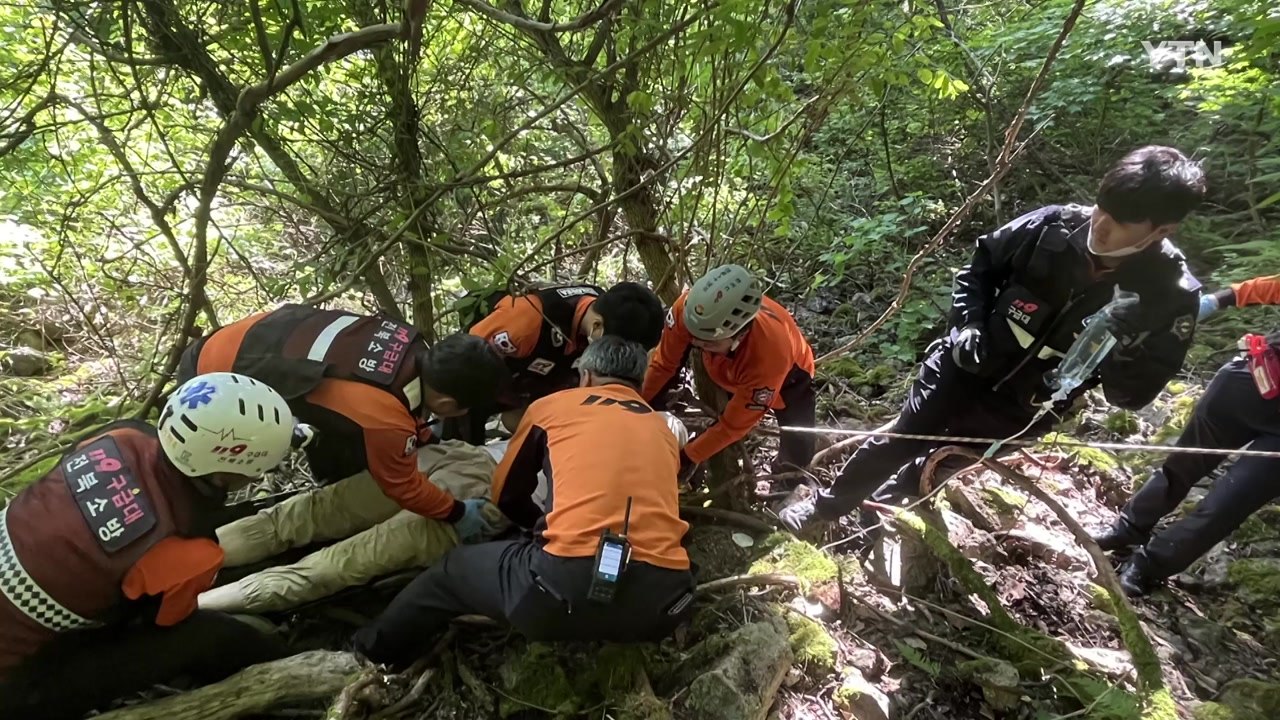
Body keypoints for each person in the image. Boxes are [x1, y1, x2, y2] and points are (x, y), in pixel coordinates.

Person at [780, 145, 1207, 532]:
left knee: (944, 462)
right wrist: (967, 325)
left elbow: (1132, 396)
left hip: (1028, 405)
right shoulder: (1052, 226)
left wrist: (1126, 348)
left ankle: (879, 513)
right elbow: (978, 271)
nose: (1100, 226)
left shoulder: (1170, 295)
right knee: (902, 439)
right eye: (1101, 209)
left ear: (1160, 231)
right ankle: (827, 507)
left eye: (1119, 223)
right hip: (966, 362)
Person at [352, 337, 696, 667]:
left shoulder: (552, 407)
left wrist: (533, 529)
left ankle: (370, 653)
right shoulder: (663, 430)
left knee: (451, 571)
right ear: (638, 383)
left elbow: (506, 493)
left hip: (558, 591)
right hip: (664, 603)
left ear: (587, 376)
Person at [0, 373, 301, 719]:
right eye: (258, 470)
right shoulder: (186, 545)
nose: (259, 476)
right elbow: (164, 623)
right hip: (14, 686)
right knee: (209, 637)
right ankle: (290, 680)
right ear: (225, 472)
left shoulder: (120, 435)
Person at [176, 305, 508, 577]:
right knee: (206, 492)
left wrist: (419, 435)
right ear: (448, 404)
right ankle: (187, 562)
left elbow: (398, 401)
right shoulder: (385, 418)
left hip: (232, 345)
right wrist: (456, 511)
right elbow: (402, 486)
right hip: (216, 390)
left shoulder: (410, 340)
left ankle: (196, 551)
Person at [1094, 275, 1280, 596]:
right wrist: (1211, 303)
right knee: (1182, 464)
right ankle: (1128, 528)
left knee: (1227, 505)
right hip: (1248, 384)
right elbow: (1257, 289)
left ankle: (1149, 565)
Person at [642, 264, 817, 479]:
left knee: (798, 446)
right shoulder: (686, 312)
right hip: (728, 368)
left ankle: (788, 477)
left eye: (708, 342)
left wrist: (688, 457)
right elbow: (664, 365)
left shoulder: (769, 356)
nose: (696, 343)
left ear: (739, 335)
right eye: (693, 337)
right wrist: (636, 404)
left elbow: (732, 426)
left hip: (792, 380)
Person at [449, 281, 666, 443]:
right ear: (597, 326)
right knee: (460, 450)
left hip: (536, 392)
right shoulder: (526, 321)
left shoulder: (607, 314)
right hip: (479, 389)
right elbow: (462, 364)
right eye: (616, 349)